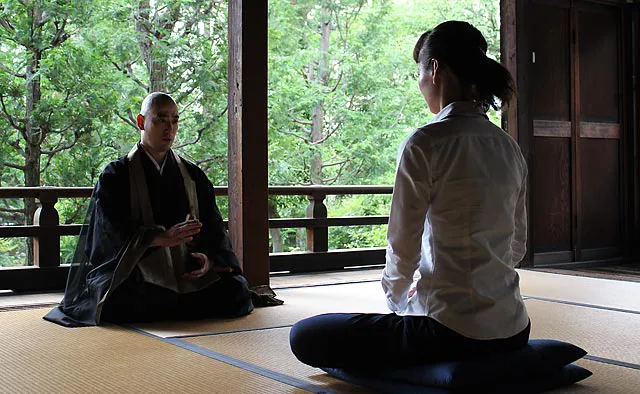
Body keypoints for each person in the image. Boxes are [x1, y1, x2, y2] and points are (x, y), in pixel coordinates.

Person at [290, 21, 530, 369]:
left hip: (446, 331)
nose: (420, 84)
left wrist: (401, 302)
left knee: (306, 334)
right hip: (513, 329)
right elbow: (516, 247)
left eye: (419, 72)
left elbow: (403, 244)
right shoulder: (509, 147)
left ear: (434, 69)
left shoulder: (425, 142)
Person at [45, 92, 254, 327]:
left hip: (185, 269)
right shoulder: (116, 175)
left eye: (175, 120)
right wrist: (158, 238)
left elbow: (213, 229)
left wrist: (209, 260)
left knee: (235, 290)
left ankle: (176, 304)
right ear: (141, 122)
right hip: (137, 270)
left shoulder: (193, 175)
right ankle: (178, 306)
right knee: (116, 300)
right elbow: (109, 233)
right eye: (161, 119)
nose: (170, 128)